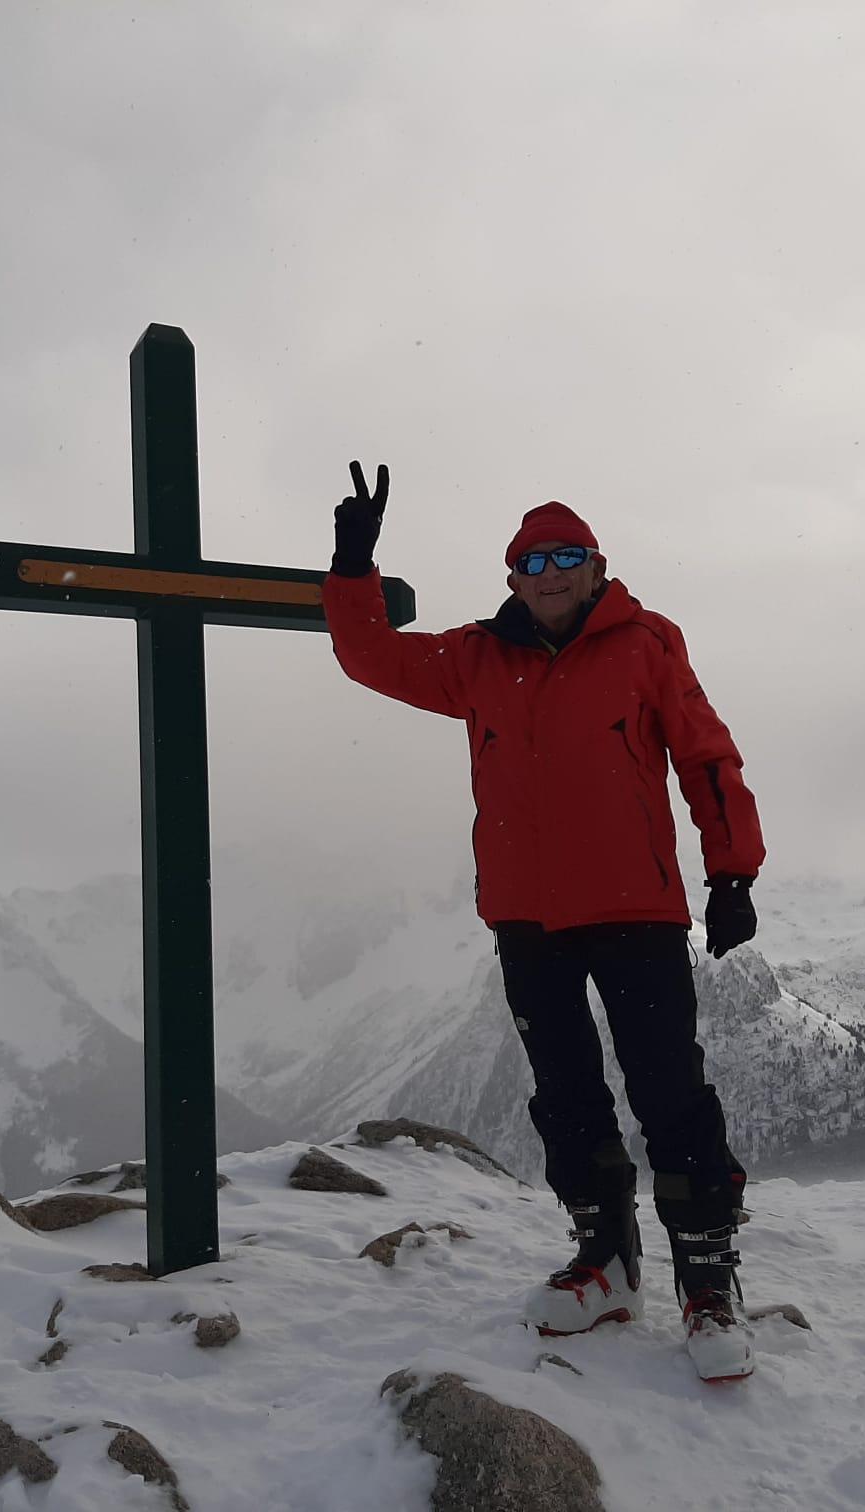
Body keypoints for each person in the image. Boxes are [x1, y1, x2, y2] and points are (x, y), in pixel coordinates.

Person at [322, 461, 765, 1382]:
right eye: (532, 561)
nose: (551, 573)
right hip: (526, 917)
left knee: (669, 1094)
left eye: (567, 557)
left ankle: (706, 1280)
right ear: (514, 578)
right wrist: (354, 567)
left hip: (636, 911)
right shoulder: (476, 657)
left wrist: (732, 871)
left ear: (597, 567)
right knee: (565, 1095)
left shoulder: (647, 644)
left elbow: (706, 756)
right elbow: (372, 659)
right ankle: (606, 1262)